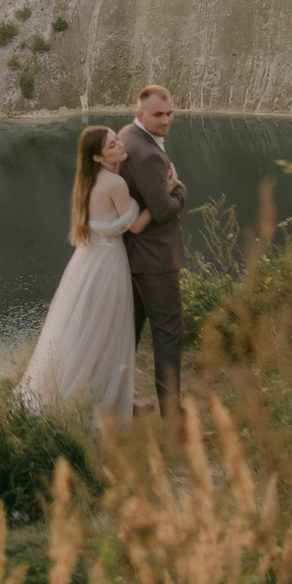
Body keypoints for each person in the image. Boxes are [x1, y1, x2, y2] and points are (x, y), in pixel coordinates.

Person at [17, 124, 153, 422]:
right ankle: (99, 406)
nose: (119, 145)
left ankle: (72, 395)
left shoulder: (87, 181)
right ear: (98, 157)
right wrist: (163, 194)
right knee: (106, 330)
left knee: (81, 328)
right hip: (107, 264)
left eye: (118, 140)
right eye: (112, 145)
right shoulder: (115, 184)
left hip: (85, 262)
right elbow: (136, 225)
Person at [118, 84, 186, 418]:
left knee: (128, 334)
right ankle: (174, 422)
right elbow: (162, 210)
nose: (166, 120)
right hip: (154, 261)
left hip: (133, 258)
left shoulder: (129, 136)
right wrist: (179, 190)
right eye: (158, 115)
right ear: (140, 113)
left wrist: (168, 187)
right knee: (169, 335)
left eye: (170, 113)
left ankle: (121, 406)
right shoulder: (145, 154)